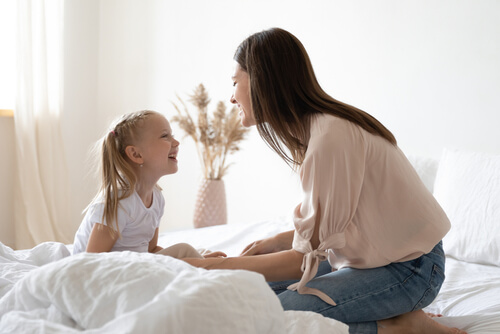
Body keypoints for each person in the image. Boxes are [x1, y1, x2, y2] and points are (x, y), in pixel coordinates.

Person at [182, 28, 467, 334]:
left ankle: (400, 326)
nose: (231, 95)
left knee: (265, 318)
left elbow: (300, 260)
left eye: (235, 82)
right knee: (244, 292)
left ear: (263, 81)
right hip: (373, 259)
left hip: (411, 270)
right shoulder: (319, 130)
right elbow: (335, 223)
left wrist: (214, 266)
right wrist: (274, 242)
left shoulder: (329, 137)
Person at [72, 110, 225, 259]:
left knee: (197, 251)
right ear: (136, 154)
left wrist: (193, 257)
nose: (176, 142)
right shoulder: (119, 202)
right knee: (184, 249)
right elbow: (91, 259)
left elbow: (151, 250)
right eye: (165, 136)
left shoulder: (156, 198)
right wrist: (187, 257)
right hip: (104, 269)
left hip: (136, 263)